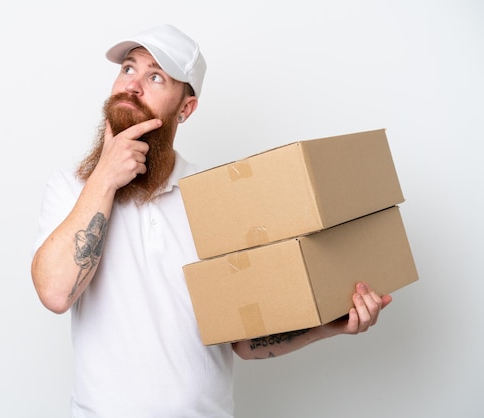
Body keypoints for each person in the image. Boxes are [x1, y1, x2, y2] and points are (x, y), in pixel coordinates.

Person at [31, 24, 392, 417]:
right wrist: (104, 178)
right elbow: (54, 293)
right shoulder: (72, 189)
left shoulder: (217, 200)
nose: (132, 86)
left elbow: (242, 340)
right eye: (128, 68)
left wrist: (328, 324)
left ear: (185, 108)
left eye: (155, 77)